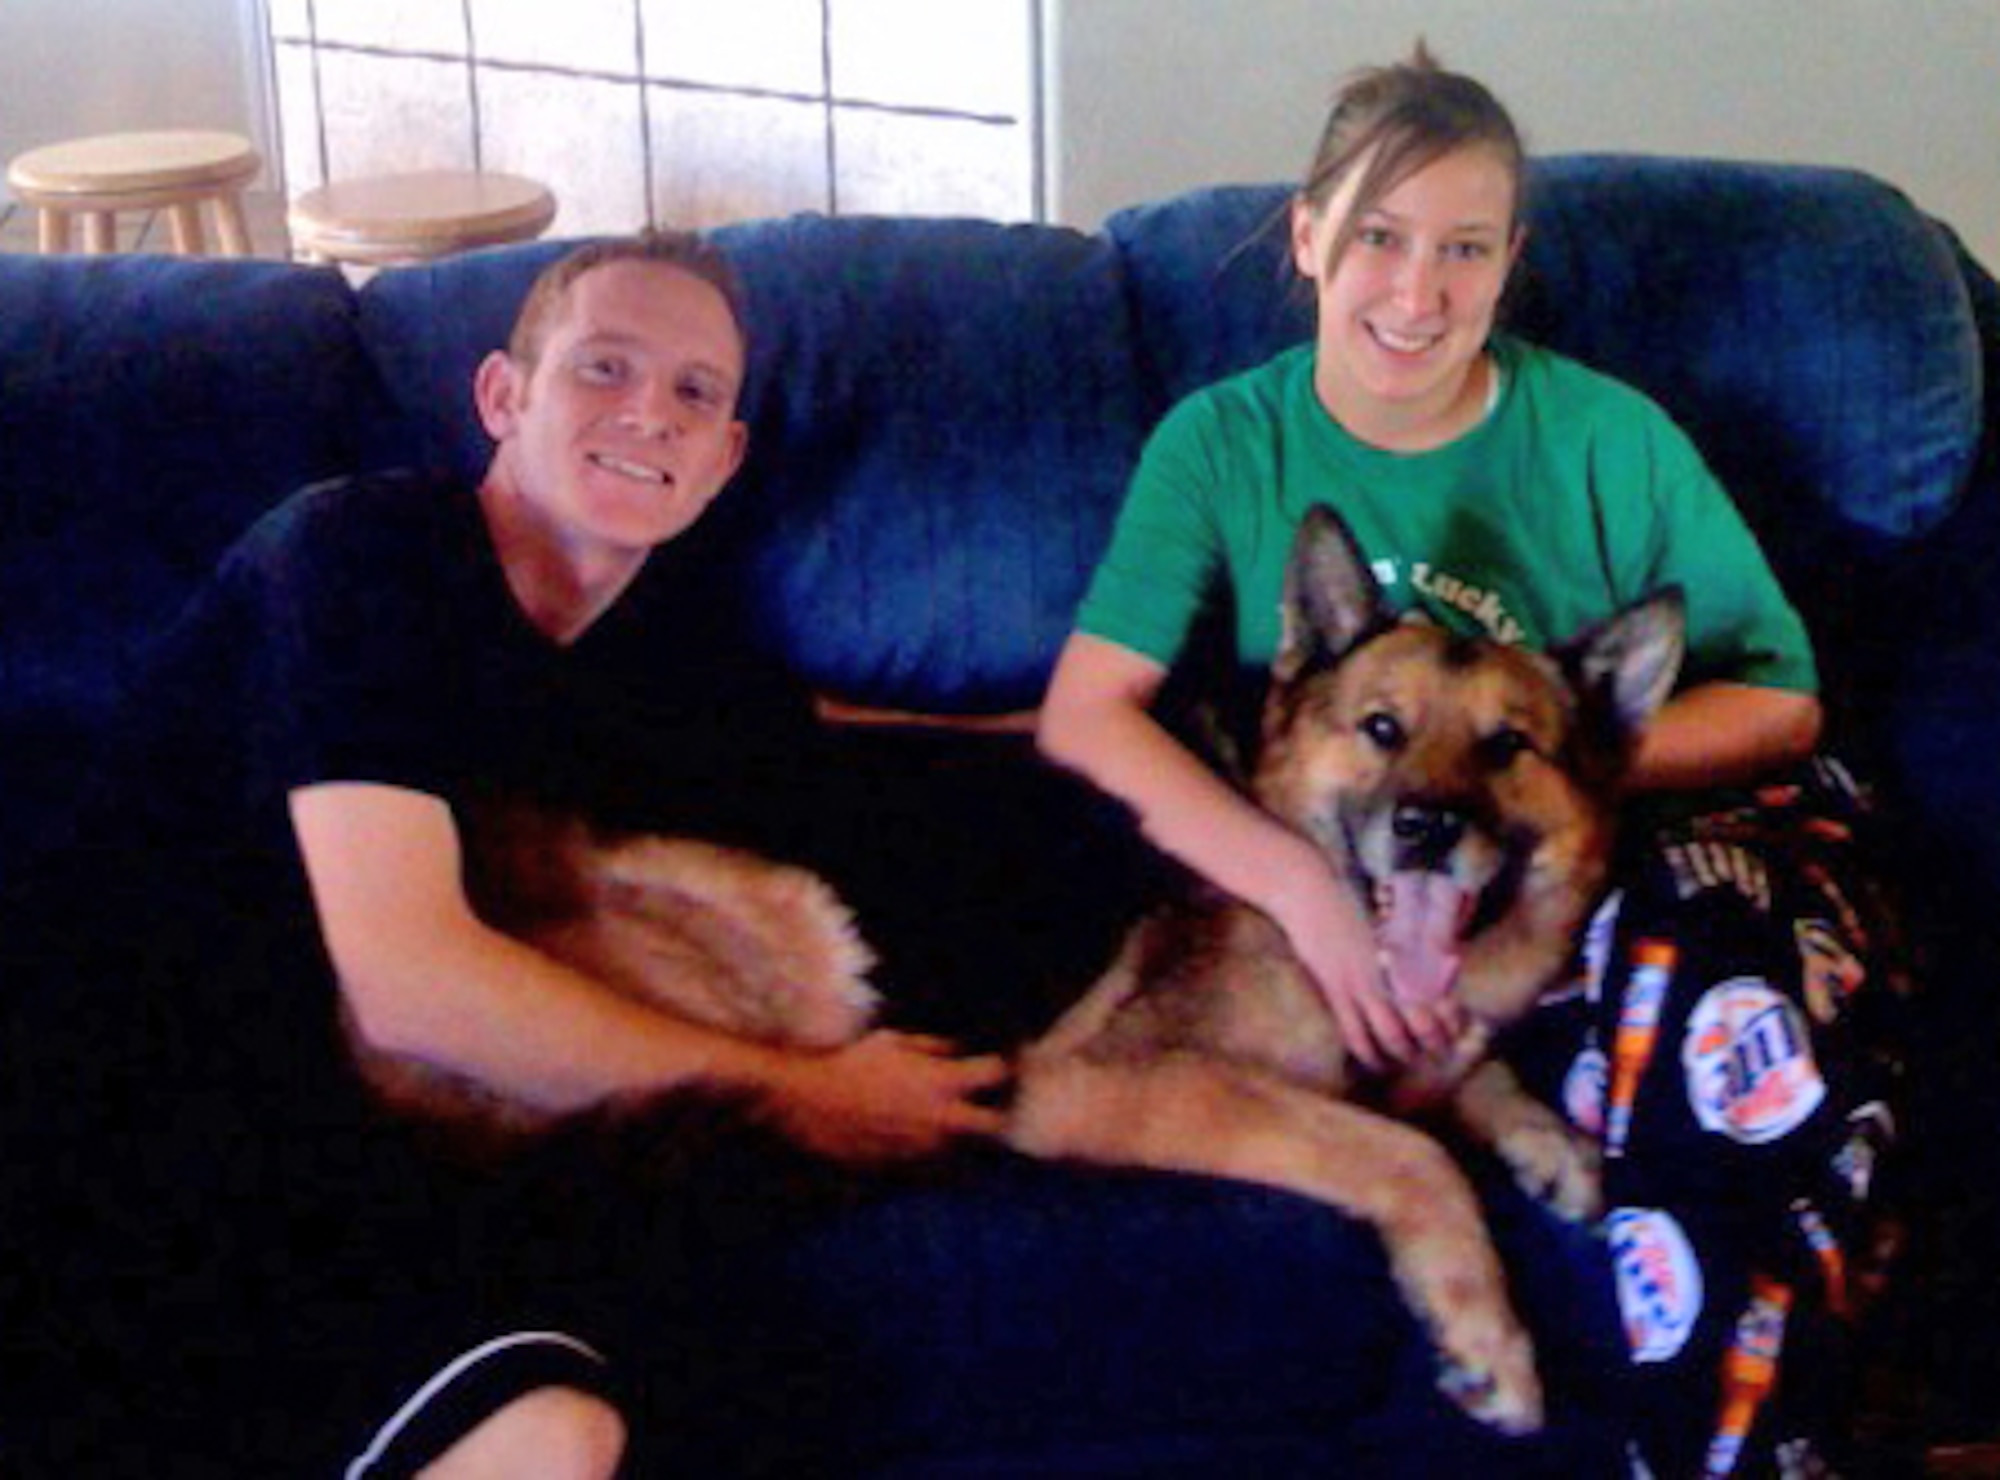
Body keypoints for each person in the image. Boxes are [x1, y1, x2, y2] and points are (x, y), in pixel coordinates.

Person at [2, 230, 1007, 1476]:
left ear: (723, 459)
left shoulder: (663, 652)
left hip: (379, 1148)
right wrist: (804, 1090)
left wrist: (1082, 725)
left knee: (691, 1393)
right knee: (555, 1433)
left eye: (695, 392)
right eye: (604, 367)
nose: (650, 411)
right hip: (121, 1112)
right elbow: (410, 979)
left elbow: (847, 739)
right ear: (501, 397)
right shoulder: (361, 557)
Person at [1039, 44, 1898, 1478]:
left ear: (1511, 266)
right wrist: (1307, 898)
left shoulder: (1607, 435)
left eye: (1464, 249)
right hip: (1383, 880)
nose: (1417, 290)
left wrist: (1557, 776)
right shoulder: (1226, 441)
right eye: (1378, 236)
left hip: (1644, 816)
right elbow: (1086, 712)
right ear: (1309, 238)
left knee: (1716, 994)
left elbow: (1785, 703)